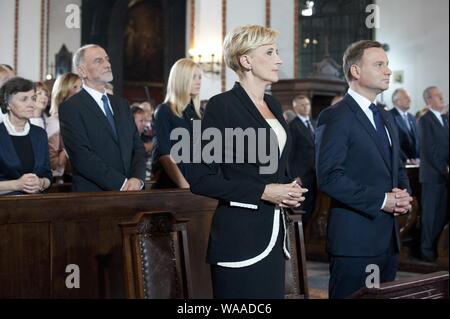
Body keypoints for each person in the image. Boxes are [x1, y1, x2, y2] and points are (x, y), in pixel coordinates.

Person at [188, 25, 307, 299]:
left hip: (274, 235)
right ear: (246, 60)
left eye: (277, 52)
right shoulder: (222, 106)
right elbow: (200, 178)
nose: (279, 59)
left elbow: (274, 169)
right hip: (239, 237)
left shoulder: (274, 106)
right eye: (270, 52)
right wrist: (264, 191)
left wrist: (289, 190)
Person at [315, 40, 412, 298]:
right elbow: (329, 178)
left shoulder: (386, 116)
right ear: (355, 71)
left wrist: (404, 195)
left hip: (388, 239)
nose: (388, 71)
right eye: (379, 64)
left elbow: (397, 166)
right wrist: (382, 200)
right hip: (355, 241)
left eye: (387, 65)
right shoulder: (335, 116)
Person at [59, 44, 146, 192]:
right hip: (95, 195)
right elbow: (82, 157)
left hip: (132, 192)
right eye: (99, 61)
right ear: (82, 71)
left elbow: (137, 147)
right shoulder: (71, 107)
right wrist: (121, 183)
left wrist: (137, 179)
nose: (107, 64)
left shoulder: (122, 104)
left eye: (107, 59)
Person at [151, 58, 202, 188]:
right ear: (181, 79)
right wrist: (184, 186)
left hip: (196, 181)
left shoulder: (197, 113)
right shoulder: (164, 111)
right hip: (173, 185)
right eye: (193, 77)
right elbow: (164, 155)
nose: (198, 81)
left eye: (200, 77)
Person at [0, 77, 52, 195]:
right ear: (7, 104)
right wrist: (17, 184)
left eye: (33, 98)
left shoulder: (39, 133)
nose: (31, 104)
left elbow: (47, 174)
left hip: (35, 204)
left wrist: (41, 182)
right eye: (24, 99)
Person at [418, 86, 449, 262]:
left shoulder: (444, 119)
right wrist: (444, 168)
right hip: (432, 177)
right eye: (438, 96)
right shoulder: (425, 120)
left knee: (441, 215)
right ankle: (426, 252)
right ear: (429, 100)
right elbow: (430, 150)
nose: (442, 98)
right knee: (430, 216)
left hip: (444, 177)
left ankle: (438, 251)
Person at [47, 72, 81, 182]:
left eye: (81, 87)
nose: (80, 91)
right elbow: (52, 164)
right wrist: (65, 152)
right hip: (61, 182)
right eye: (75, 87)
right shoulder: (54, 122)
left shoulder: (81, 119)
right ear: (64, 91)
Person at [289, 95, 316, 221]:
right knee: (303, 208)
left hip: (315, 173)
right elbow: (289, 153)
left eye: (307, 104)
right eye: (302, 105)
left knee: (313, 207)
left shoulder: (314, 123)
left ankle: (308, 236)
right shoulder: (292, 126)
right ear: (295, 107)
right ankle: (302, 238)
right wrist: (294, 175)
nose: (306, 107)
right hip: (301, 174)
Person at [389, 88, 420, 164]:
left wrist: (417, 158)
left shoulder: (412, 118)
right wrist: (406, 159)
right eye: (406, 98)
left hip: (415, 163)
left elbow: (418, 140)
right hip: (400, 163)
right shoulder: (389, 116)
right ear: (397, 101)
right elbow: (393, 142)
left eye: (409, 97)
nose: (410, 100)